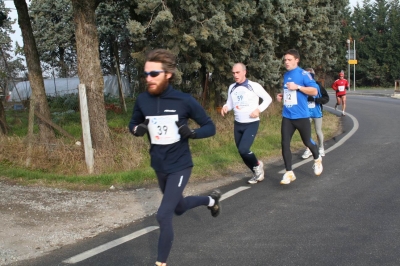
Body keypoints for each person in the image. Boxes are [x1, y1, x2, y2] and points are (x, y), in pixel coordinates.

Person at [128, 49, 220, 266]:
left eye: (153, 74)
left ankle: (161, 263)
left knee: (163, 215)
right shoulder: (143, 100)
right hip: (158, 164)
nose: (148, 79)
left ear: (168, 74)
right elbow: (133, 123)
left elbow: (210, 127)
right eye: (145, 74)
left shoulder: (183, 100)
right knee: (178, 208)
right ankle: (211, 200)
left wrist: (193, 133)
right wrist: (137, 130)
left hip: (180, 165)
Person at [276, 49, 323, 185]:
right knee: (285, 143)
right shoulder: (286, 75)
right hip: (287, 115)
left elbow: (314, 91)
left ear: (297, 60)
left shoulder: (304, 74)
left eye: (289, 60)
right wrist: (282, 95)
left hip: (302, 116)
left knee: (307, 142)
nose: (286, 62)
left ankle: (317, 158)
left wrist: (298, 87)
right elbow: (290, 93)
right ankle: (289, 172)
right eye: (285, 60)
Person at [221, 63, 272, 184]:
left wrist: (258, 110)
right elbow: (230, 103)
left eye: (238, 72)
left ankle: (257, 165)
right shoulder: (232, 87)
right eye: (233, 73)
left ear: (244, 72)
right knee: (241, 151)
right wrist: (225, 107)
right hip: (238, 123)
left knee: (244, 149)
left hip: (251, 123)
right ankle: (256, 172)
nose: (235, 75)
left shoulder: (253, 86)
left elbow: (268, 99)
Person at [301, 68, 329, 159]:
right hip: (306, 113)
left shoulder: (318, 86)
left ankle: (321, 148)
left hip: (317, 112)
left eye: (310, 75)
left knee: (318, 131)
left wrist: (315, 100)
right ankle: (308, 149)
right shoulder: (302, 86)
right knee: (306, 132)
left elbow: (326, 98)